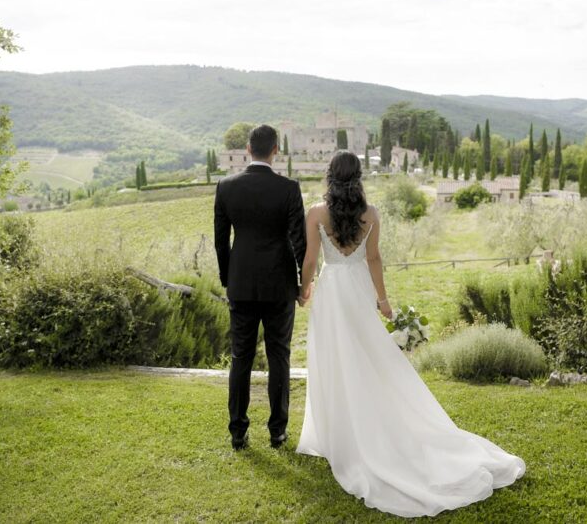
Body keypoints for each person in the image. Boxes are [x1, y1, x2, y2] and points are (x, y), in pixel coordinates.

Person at [295, 150, 526, 518]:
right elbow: (373, 259)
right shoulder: (370, 215)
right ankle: (359, 428)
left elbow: (310, 259)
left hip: (331, 293)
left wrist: (304, 289)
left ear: (330, 177)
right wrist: (383, 301)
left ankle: (340, 435)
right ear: (358, 178)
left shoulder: (316, 214)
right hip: (357, 292)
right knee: (370, 361)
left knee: (335, 362)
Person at [213, 124, 307, 450]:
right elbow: (300, 241)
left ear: (248, 150)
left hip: (241, 285)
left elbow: (220, 243)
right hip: (280, 286)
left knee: (241, 357)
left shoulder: (226, 187)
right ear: (275, 150)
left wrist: (228, 280)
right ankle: (277, 432)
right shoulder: (289, 189)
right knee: (279, 357)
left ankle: (238, 431)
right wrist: (301, 283)